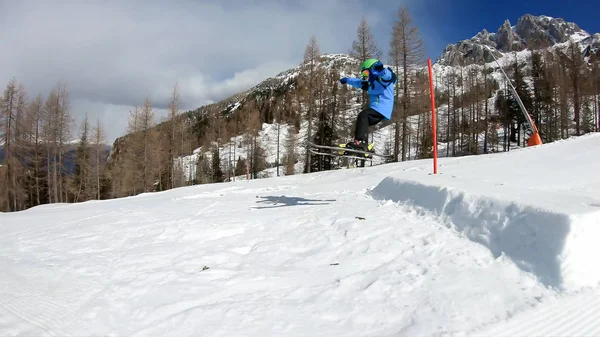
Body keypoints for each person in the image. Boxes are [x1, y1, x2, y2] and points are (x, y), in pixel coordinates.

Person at [339, 58, 396, 154]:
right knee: (362, 121)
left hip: (381, 108)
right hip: (378, 109)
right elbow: (359, 82)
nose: (366, 76)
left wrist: (381, 70)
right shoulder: (371, 83)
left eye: (366, 72)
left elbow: (389, 77)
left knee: (363, 115)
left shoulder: (383, 79)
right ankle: (362, 144)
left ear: (373, 69)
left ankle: (360, 142)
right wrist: (347, 80)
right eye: (364, 74)